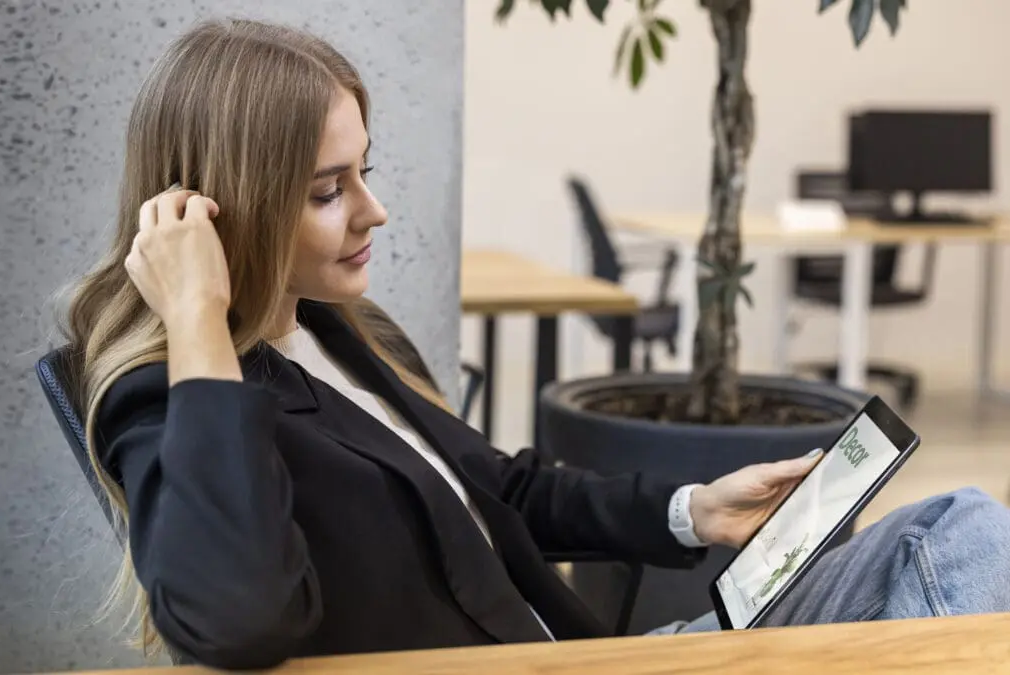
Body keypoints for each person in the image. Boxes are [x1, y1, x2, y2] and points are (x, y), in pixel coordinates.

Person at [62, 17, 1010, 671]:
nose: (374, 210)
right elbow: (234, 616)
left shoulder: (331, 332)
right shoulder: (174, 396)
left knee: (961, 524)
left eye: (365, 171)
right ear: (218, 210)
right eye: (326, 191)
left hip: (592, 652)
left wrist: (693, 510)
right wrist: (195, 322)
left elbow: (501, 486)